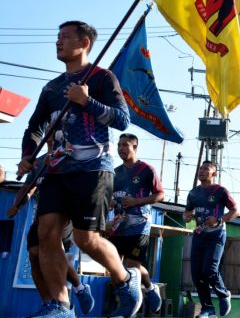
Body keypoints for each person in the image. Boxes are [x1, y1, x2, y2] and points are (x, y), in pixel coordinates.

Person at [17, 20, 140, 318]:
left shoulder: (101, 78)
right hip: (57, 171)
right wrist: (27, 155)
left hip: (93, 169)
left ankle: (125, 279)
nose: (58, 42)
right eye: (57, 37)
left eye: (66, 37)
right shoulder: (52, 87)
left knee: (87, 240)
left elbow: (123, 121)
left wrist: (87, 101)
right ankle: (60, 306)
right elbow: (35, 127)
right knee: (47, 233)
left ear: (84, 43)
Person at [8, 150, 94, 317]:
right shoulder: (37, 162)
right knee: (34, 255)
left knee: (54, 251)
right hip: (40, 217)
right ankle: (50, 305)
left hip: (62, 215)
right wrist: (16, 204)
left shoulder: (72, 156)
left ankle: (79, 288)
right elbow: (28, 188)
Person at [108, 133, 165, 313]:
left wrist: (136, 202)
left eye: (125, 145)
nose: (121, 148)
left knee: (133, 267)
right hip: (118, 227)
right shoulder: (114, 172)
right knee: (114, 269)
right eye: (119, 145)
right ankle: (144, 291)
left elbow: (160, 194)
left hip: (139, 225)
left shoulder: (146, 169)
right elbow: (109, 198)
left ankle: (141, 294)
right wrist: (110, 203)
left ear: (135, 147)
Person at [183, 160, 238, 318]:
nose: (202, 171)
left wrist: (219, 219)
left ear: (214, 173)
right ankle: (207, 308)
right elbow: (187, 212)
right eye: (200, 168)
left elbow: (235, 211)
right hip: (199, 235)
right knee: (196, 273)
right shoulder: (193, 193)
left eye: (206, 169)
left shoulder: (220, 191)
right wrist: (186, 215)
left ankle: (224, 294)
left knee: (210, 270)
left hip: (216, 234)